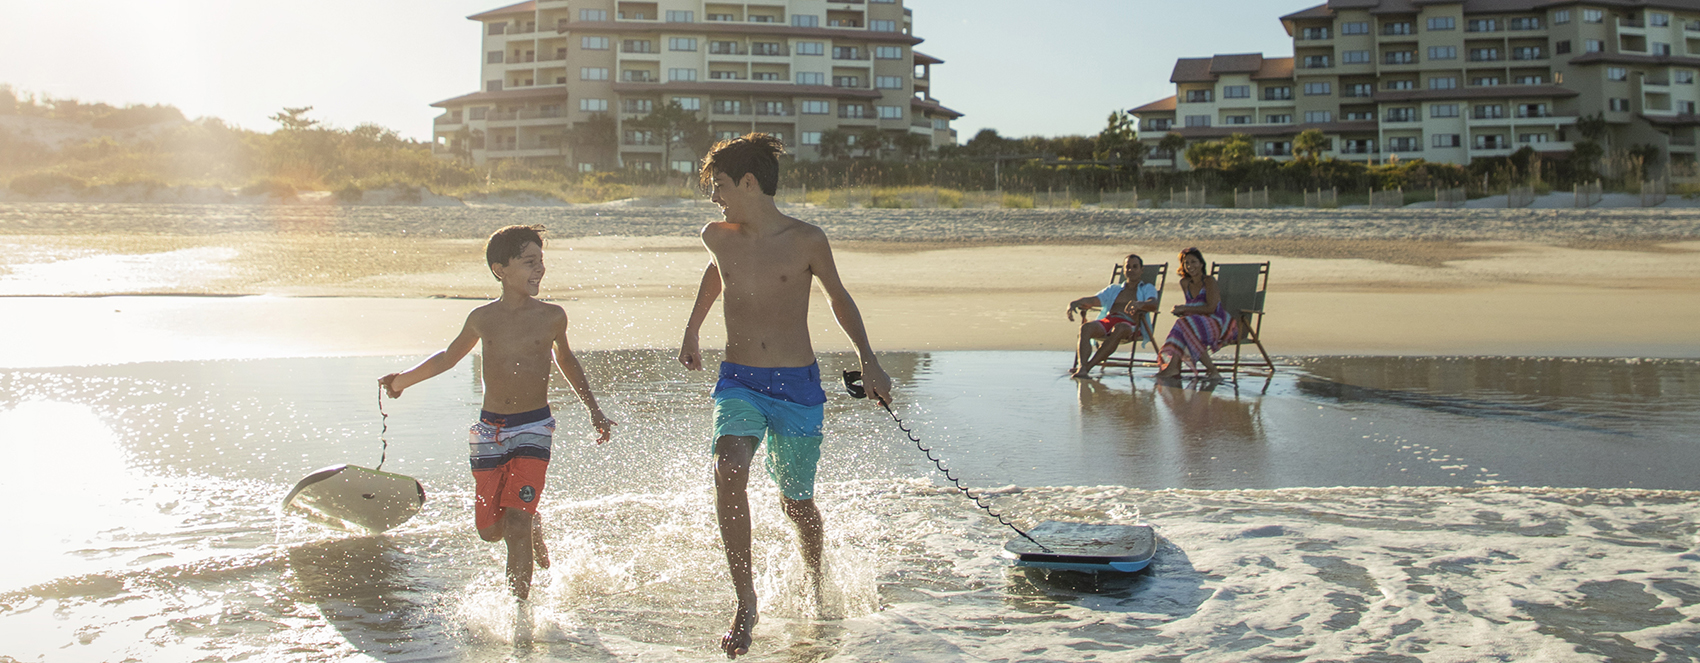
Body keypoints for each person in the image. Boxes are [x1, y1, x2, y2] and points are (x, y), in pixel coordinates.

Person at [678, 133, 893, 659]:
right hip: (740, 382)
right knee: (729, 467)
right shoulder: (715, 235)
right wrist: (692, 328)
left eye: (720, 186)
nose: (714, 197)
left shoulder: (807, 240)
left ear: (749, 183)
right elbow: (717, 274)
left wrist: (869, 359)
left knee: (797, 504)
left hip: (797, 387)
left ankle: (817, 582)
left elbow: (838, 298)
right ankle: (746, 601)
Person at [378, 224, 615, 601]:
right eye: (529, 262)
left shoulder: (552, 316)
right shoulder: (482, 318)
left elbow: (567, 361)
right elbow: (447, 358)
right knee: (490, 530)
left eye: (541, 261)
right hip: (490, 430)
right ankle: (531, 519)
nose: (539, 269)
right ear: (500, 270)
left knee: (515, 525)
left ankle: (520, 618)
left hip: (534, 427)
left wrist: (594, 409)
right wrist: (401, 381)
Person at [1067, 253, 1159, 377]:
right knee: (1086, 327)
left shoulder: (1147, 288)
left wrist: (1140, 304)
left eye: (1135, 267)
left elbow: (1153, 304)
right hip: (1109, 321)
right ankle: (1082, 366)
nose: (1130, 270)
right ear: (1123, 270)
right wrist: (1075, 303)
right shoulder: (1114, 289)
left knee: (1119, 327)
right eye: (1127, 267)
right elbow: (1094, 300)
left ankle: (1087, 367)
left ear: (1141, 270)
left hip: (1131, 325)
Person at [1155, 247, 1238, 380]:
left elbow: (1211, 308)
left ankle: (1210, 370)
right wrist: (1181, 310)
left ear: (1201, 264)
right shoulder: (1185, 283)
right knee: (1183, 324)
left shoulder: (1209, 281)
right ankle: (1174, 368)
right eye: (1186, 263)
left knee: (1182, 324)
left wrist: (1184, 309)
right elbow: (1192, 308)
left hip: (1217, 323)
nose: (1190, 266)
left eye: (1193, 262)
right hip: (1196, 324)